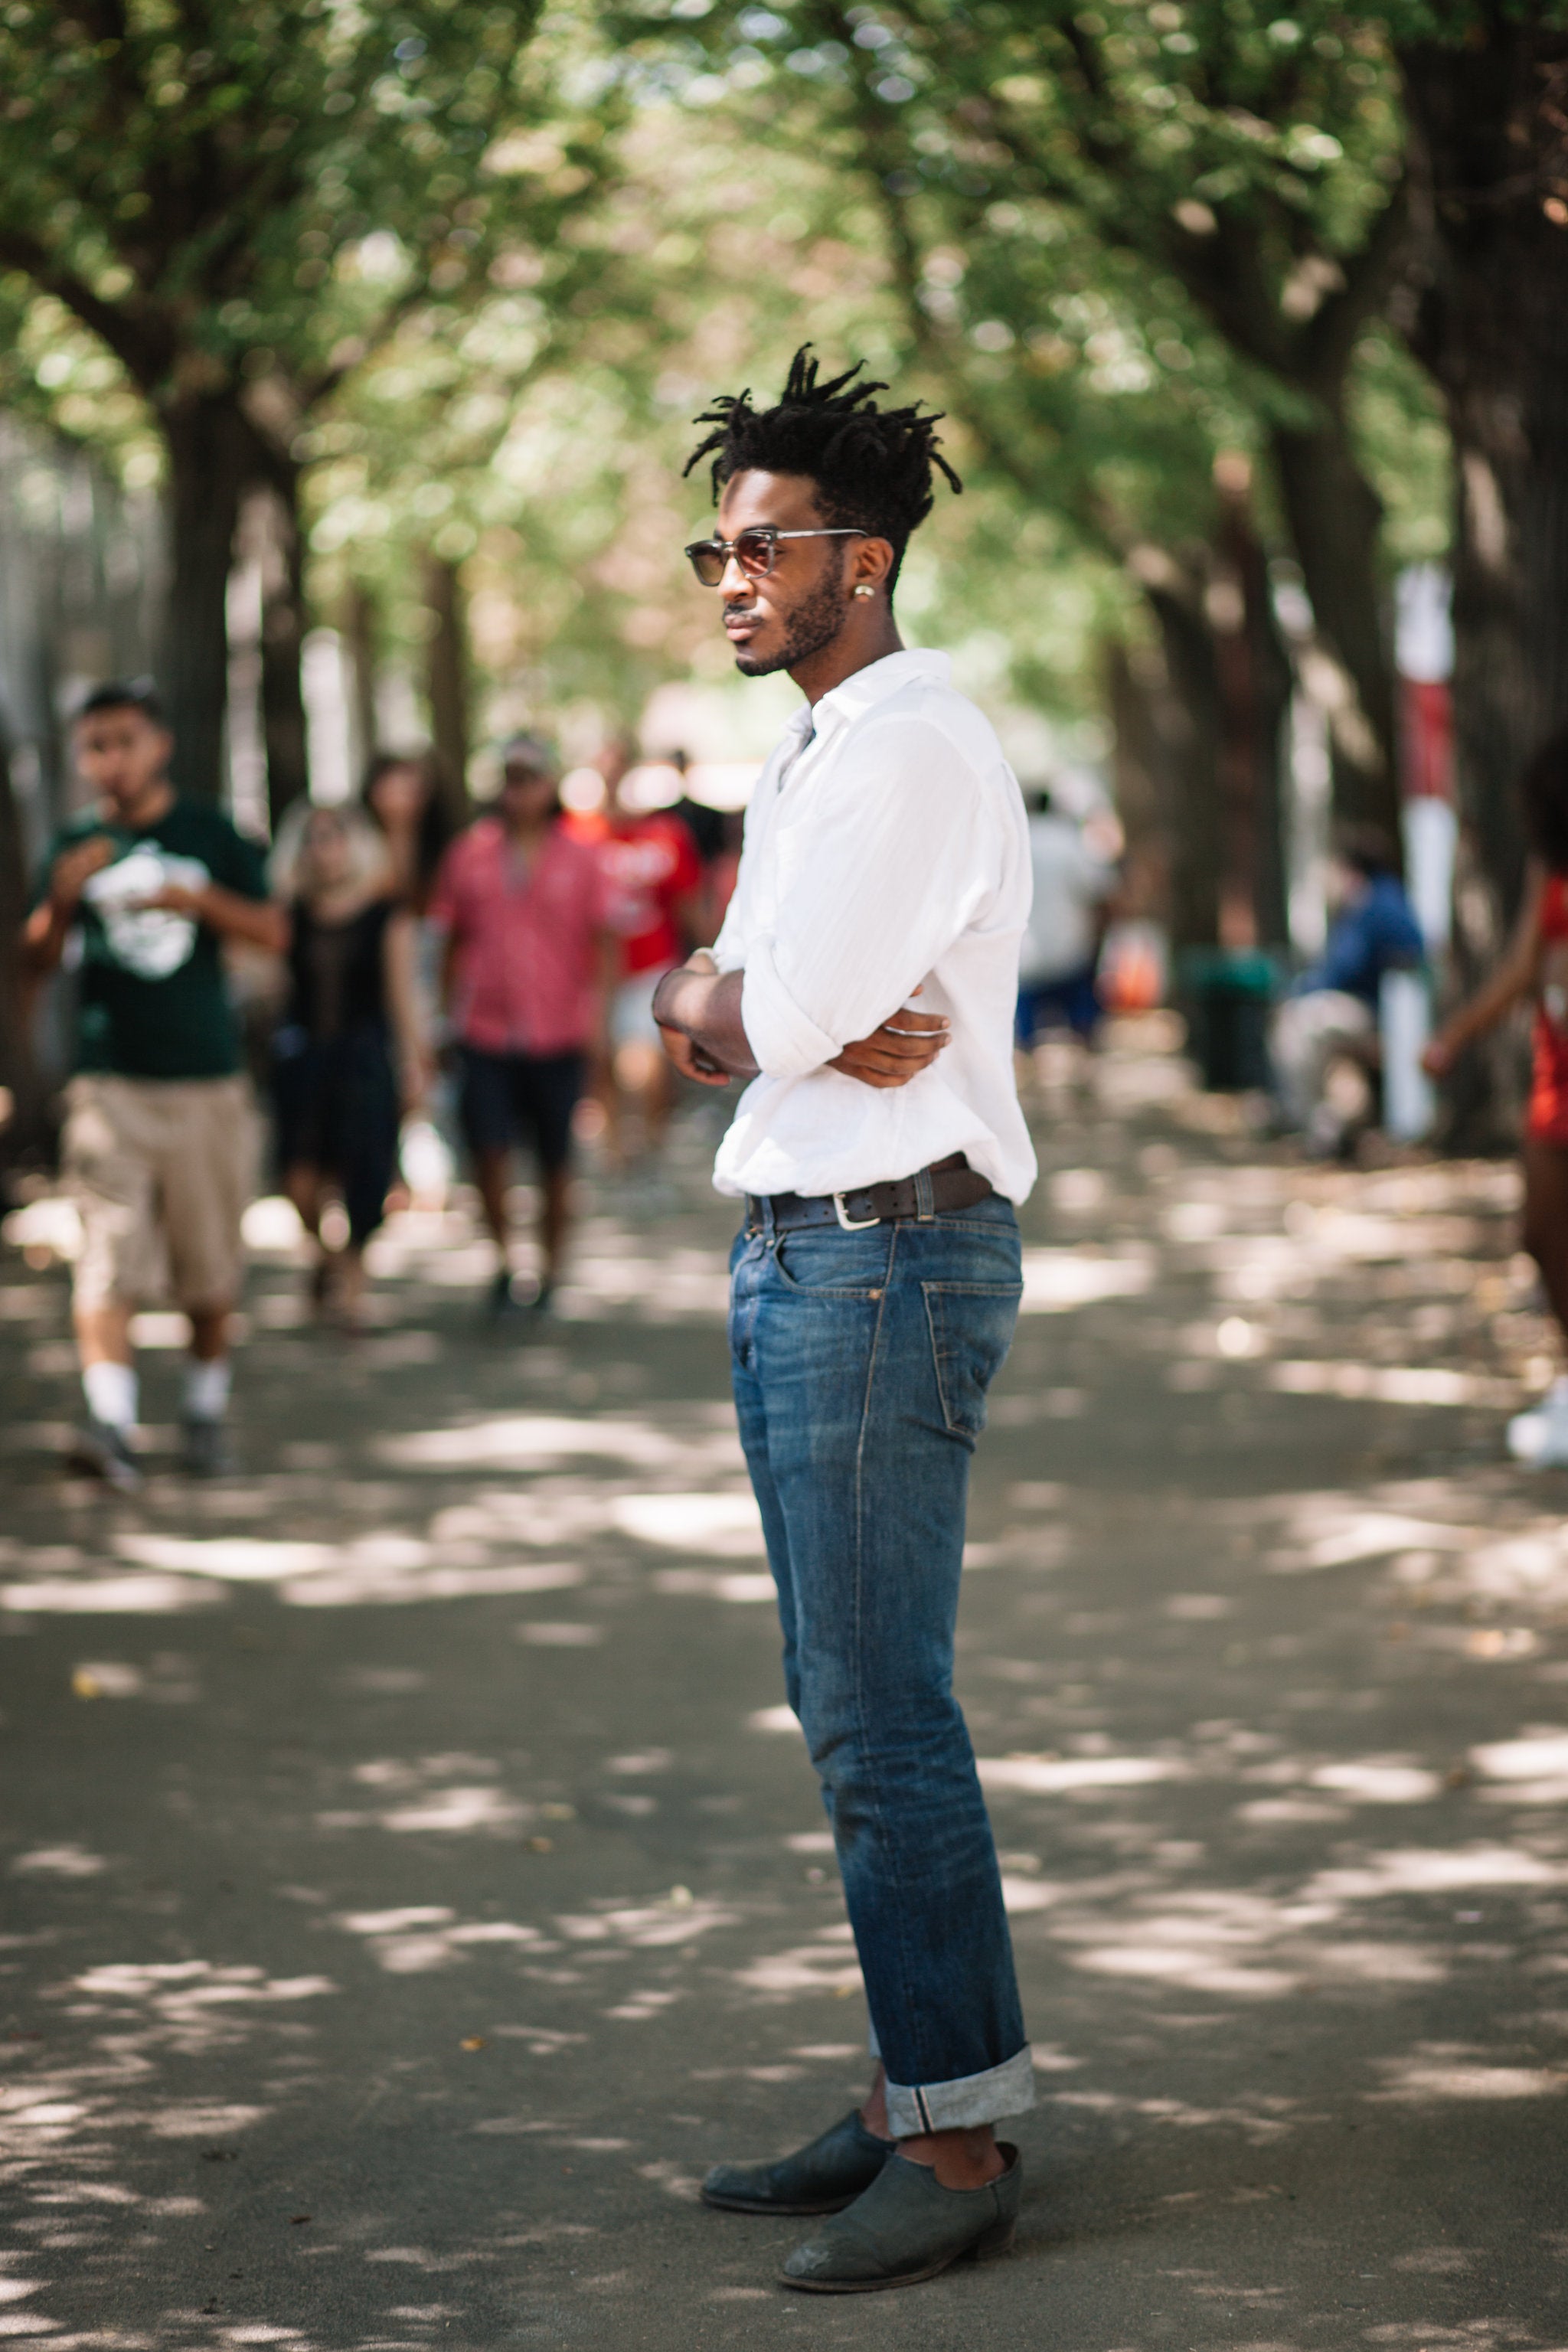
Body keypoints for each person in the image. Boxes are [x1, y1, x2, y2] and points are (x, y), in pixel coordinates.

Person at [652, 348, 1034, 2294]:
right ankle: (909, 2086)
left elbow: (769, 1018)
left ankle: (957, 2135)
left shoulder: (899, 745)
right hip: (813, 1248)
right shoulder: (810, 747)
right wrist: (717, 999)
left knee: (883, 1717)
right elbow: (729, 995)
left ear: (860, 559)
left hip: (882, 1254)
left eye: (763, 544)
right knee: (847, 1706)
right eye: (711, 546)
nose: (727, 574)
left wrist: (738, 1007)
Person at [20, 680, 286, 1487]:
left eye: (125, 741)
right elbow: (31, 966)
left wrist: (194, 897)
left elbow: (274, 932)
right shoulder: (75, 842)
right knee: (105, 1260)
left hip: (205, 1081)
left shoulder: (208, 831)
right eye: (96, 746)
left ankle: (203, 1413)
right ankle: (114, 1426)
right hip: (111, 1088)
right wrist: (61, 903)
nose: (112, 760)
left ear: (159, 745)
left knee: (209, 1267)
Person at [428, 734, 616, 1316]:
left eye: (530, 777)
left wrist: (598, 1019)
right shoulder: (471, 854)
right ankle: (506, 1261)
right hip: (485, 1030)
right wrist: (442, 1019)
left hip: (558, 1031)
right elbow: (449, 940)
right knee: (488, 1150)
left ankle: (553, 1267)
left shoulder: (581, 855)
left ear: (550, 784)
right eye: (510, 778)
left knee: (557, 1158)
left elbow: (606, 941)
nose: (520, 790)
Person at [1424, 728, 1568, 1466]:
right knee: (1540, 1233)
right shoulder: (1551, 864)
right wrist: (1457, 1034)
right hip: (1558, 1077)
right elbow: (1522, 964)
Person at [268, 802, 428, 1330]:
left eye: (333, 837)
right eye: (313, 839)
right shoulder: (288, 916)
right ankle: (324, 1256)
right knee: (299, 1178)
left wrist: (414, 1064)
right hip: (304, 1060)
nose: (323, 850)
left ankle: (352, 1284)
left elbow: (403, 998)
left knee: (365, 1173)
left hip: (363, 1061)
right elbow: (268, 989)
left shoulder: (386, 916)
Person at [1270, 824, 1425, 1155]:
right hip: (1361, 1009)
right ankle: (1332, 1124)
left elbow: (1343, 969)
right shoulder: (1376, 901)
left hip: (1371, 1013)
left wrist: (1299, 994)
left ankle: (1310, 1126)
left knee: (1299, 1024)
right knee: (1309, 1026)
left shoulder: (1375, 903)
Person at [599, 744, 705, 1162]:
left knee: (646, 1062)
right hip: (593, 973)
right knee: (603, 1064)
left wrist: (707, 959)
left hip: (652, 965)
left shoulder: (666, 836)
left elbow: (690, 904)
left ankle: (648, 1143)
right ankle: (617, 1154)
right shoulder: (577, 836)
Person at [1015, 785, 1118, 1049]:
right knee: (1081, 1028)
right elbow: (1101, 891)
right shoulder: (1071, 841)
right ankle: (1086, 1076)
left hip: (1025, 956)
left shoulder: (1017, 841)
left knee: (1023, 1034)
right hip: (1070, 949)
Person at [360, 750, 455, 913]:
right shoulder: (359, 844)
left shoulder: (443, 849)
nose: (399, 800)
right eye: (392, 791)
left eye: (407, 791)